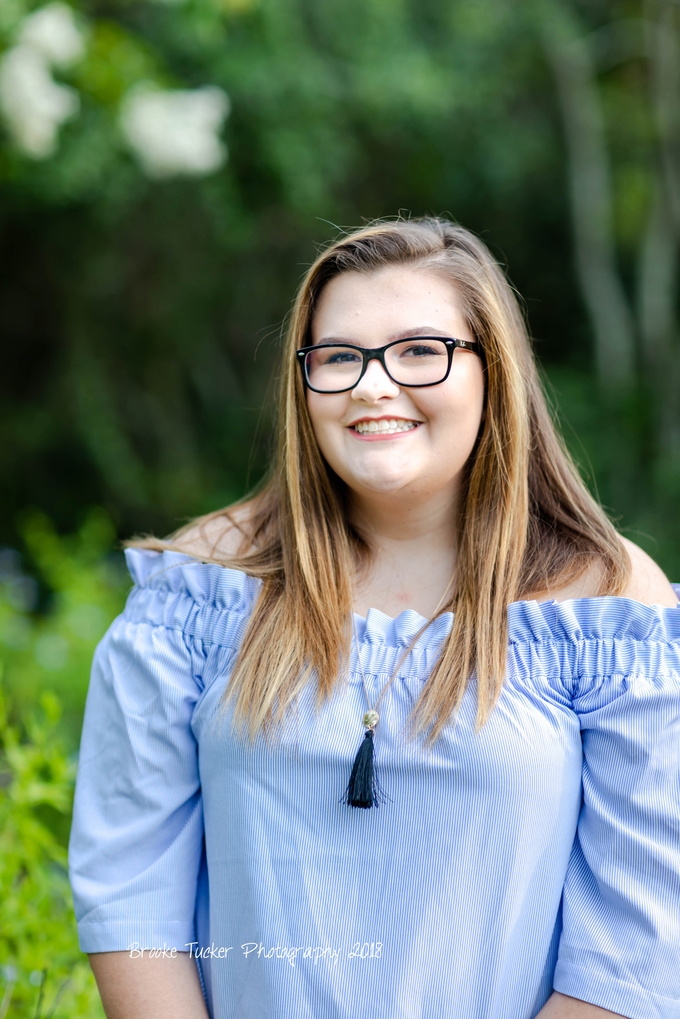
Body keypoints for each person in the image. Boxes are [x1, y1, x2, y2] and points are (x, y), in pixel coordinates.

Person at [68, 218, 680, 1019]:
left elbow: (641, 940)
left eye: (421, 350)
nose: (371, 384)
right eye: (338, 357)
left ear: (493, 370)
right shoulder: (202, 585)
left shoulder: (608, 605)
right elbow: (131, 889)